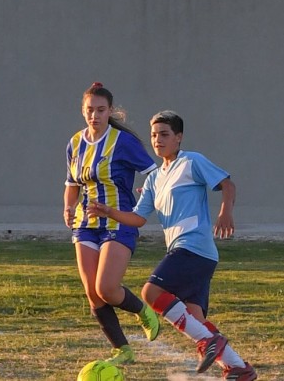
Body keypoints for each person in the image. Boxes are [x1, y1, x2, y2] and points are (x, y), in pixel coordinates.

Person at [87, 111, 256, 380]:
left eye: (164, 134)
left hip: (194, 247)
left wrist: (226, 212)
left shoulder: (191, 161)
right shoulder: (154, 179)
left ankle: (210, 343)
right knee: (195, 319)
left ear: (179, 137)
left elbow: (227, 184)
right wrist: (108, 211)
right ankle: (238, 368)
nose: (158, 140)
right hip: (185, 251)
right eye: (154, 135)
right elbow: (138, 218)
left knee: (151, 292)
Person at [63, 82, 160, 365]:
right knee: (93, 293)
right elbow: (71, 184)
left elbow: (154, 174)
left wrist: (146, 196)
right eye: (90, 110)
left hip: (118, 221)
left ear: (110, 111)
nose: (95, 115)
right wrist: (68, 206)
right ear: (83, 111)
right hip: (85, 223)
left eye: (101, 110)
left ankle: (143, 310)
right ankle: (122, 349)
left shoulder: (123, 142)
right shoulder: (75, 143)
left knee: (106, 288)